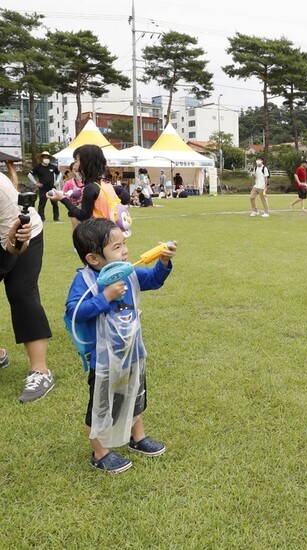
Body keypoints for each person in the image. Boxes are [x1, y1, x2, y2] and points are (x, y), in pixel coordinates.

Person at [66, 217, 177, 473]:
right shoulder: (86, 281)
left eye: (124, 243)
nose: (125, 250)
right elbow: (74, 312)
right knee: (101, 405)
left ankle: (137, 438)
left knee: (135, 396)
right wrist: (105, 297)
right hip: (104, 362)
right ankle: (100, 451)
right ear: (94, 259)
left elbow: (153, 280)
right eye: (117, 248)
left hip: (132, 354)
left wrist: (163, 262)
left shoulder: (128, 272)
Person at [0, 172, 55, 403]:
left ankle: (40, 371)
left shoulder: (1, 188)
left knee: (21, 292)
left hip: (20, 235)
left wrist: (16, 240)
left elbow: (14, 247)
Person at [49, 144, 130, 227]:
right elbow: (125, 197)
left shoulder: (90, 188)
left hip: (98, 233)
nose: (75, 165)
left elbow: (83, 216)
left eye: (76, 161)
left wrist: (62, 199)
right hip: (112, 231)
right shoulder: (105, 183)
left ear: (85, 163)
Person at [28, 151, 61, 222]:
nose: (46, 159)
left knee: (55, 204)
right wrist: (35, 183)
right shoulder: (38, 167)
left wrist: (57, 181)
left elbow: (59, 173)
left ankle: (56, 218)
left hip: (52, 188)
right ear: (42, 158)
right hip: (43, 188)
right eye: (45, 157)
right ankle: (41, 218)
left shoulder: (52, 166)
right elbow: (30, 175)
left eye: (48, 157)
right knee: (42, 204)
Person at [61, 162, 85, 231]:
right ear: (71, 171)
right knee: (76, 229)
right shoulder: (68, 183)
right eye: (75, 170)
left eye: (79, 170)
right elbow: (63, 195)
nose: (78, 172)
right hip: (73, 210)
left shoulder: (87, 182)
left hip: (85, 210)